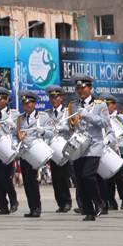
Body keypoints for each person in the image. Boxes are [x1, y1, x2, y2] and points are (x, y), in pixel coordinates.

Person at [67, 73, 109, 221]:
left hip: (94, 145)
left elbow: (105, 123)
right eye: (77, 88)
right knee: (80, 179)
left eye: (83, 87)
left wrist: (87, 115)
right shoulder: (73, 105)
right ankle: (89, 210)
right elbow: (73, 126)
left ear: (90, 88)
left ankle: (99, 201)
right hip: (79, 145)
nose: (80, 90)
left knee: (88, 176)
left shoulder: (100, 105)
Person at [16, 90, 50, 218]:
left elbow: (52, 133)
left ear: (34, 103)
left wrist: (43, 132)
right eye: (24, 103)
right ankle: (32, 208)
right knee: (28, 182)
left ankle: (37, 208)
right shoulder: (19, 119)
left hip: (36, 152)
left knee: (34, 181)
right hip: (24, 154)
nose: (26, 105)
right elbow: (16, 134)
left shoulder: (43, 117)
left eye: (29, 103)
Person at [0, 87, 20, 215]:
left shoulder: (14, 114)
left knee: (6, 177)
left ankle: (13, 200)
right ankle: (2, 206)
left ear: (6, 100)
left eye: (1, 99)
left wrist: (13, 126)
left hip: (8, 149)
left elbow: (19, 132)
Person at [44, 85, 73, 213]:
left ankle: (67, 201)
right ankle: (60, 202)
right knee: (55, 177)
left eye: (56, 97)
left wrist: (64, 127)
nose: (53, 99)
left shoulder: (67, 112)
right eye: (51, 97)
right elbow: (45, 131)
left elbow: (73, 129)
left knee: (64, 176)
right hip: (52, 149)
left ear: (61, 98)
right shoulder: (47, 114)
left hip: (64, 148)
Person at [100, 93, 123, 211]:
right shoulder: (102, 118)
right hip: (106, 150)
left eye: (108, 104)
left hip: (119, 150)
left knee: (120, 177)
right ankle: (111, 201)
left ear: (114, 105)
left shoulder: (122, 118)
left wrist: (122, 143)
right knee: (107, 178)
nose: (106, 107)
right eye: (104, 105)